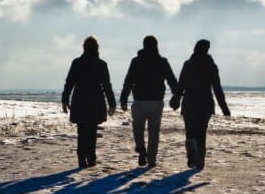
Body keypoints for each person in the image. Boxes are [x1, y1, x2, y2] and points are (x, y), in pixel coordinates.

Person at [120, 35, 178, 168]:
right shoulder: (162, 61)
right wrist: (177, 96)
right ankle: (151, 159)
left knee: (138, 128)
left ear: (144, 45)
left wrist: (124, 98)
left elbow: (129, 80)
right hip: (157, 101)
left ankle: (141, 148)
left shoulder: (136, 61)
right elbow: (172, 80)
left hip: (140, 100)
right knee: (154, 131)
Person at [173, 39, 230, 169]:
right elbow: (217, 88)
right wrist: (224, 107)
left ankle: (191, 152)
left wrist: (176, 98)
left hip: (189, 102)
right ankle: (200, 160)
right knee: (202, 131)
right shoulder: (211, 66)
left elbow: (181, 84)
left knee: (190, 130)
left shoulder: (188, 64)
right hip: (205, 103)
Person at [62, 36, 116, 168]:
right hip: (95, 101)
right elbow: (106, 85)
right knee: (92, 130)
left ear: (84, 47)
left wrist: (65, 99)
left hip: (80, 100)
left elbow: (69, 83)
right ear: (97, 48)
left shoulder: (77, 62)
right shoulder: (101, 64)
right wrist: (112, 103)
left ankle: (82, 157)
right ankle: (91, 156)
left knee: (82, 130)